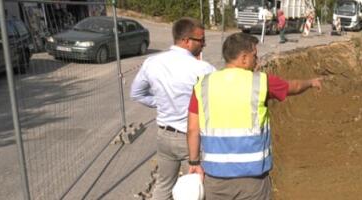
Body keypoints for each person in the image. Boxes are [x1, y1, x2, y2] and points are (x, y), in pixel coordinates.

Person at [186, 33, 322, 199]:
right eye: (254, 56)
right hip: (252, 180)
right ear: (244, 58)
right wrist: (311, 82)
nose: (257, 61)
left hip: (215, 179)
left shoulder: (203, 84)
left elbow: (193, 129)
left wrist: (194, 162)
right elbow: (293, 86)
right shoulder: (261, 82)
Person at [130, 17, 216, 200]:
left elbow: (136, 93)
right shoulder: (203, 69)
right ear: (186, 40)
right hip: (192, 139)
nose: (204, 44)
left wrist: (160, 102)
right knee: (196, 190)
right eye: (201, 40)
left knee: (163, 186)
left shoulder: (152, 63)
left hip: (164, 136)